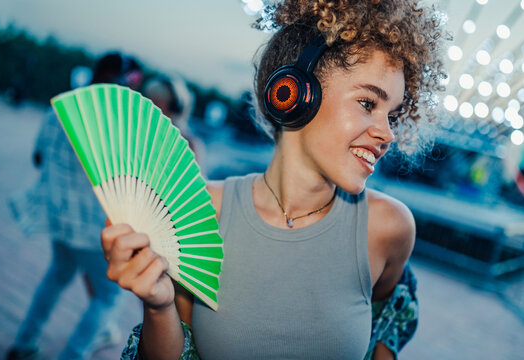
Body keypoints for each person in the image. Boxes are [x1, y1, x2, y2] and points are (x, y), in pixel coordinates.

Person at [102, 1, 447, 359]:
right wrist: (159, 306)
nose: (388, 134)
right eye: (367, 103)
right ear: (293, 92)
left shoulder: (389, 229)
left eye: (392, 114)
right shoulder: (199, 212)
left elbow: (382, 336)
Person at [6, 52, 144, 360]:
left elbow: (38, 158)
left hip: (60, 218)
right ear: (121, 79)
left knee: (56, 276)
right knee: (108, 296)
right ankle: (72, 354)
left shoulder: (60, 106)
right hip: (96, 228)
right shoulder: (116, 121)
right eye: (132, 81)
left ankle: (24, 343)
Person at [143, 73, 206, 174]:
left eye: (157, 103)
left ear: (174, 107)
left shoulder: (190, 145)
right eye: (149, 101)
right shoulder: (141, 136)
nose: (151, 108)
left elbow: (199, 184)